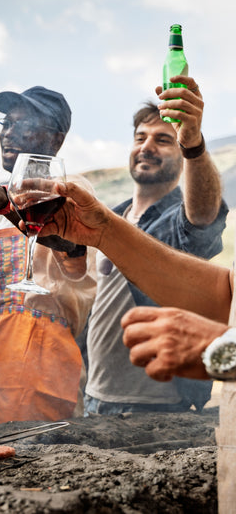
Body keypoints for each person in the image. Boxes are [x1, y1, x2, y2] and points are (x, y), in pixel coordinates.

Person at [35, 79, 233, 510]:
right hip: (99, 397)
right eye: (140, 137)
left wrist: (195, 143)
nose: (147, 146)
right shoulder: (116, 215)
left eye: (164, 140)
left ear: (180, 157)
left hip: (158, 407)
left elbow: (203, 216)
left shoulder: (178, 219)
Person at [0, 86, 97, 423]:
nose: (8, 133)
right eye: (6, 123)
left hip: (44, 380)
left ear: (55, 139)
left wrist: (5, 204)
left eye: (24, 123)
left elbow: (69, 244)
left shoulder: (72, 190)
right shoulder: (7, 195)